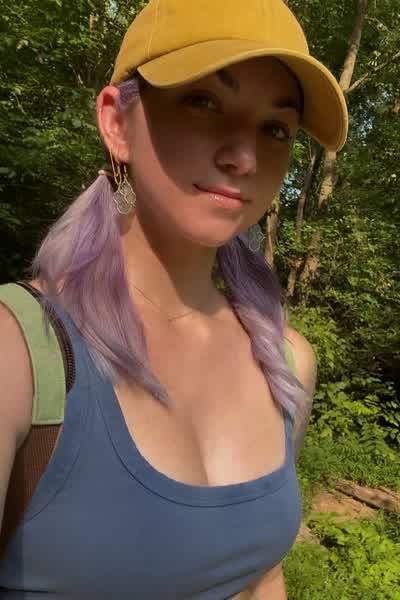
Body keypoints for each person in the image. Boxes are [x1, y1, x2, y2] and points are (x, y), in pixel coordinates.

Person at [0, 0, 347, 598]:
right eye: (203, 102)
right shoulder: (20, 354)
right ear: (117, 122)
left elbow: (262, 576)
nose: (244, 157)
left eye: (275, 129)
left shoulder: (284, 362)